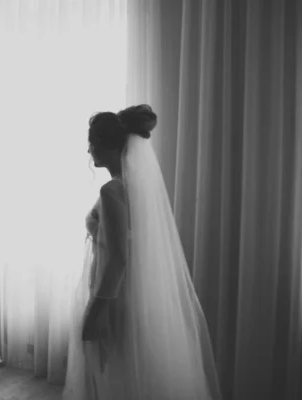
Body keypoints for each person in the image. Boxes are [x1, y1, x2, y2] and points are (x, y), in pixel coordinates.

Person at [63, 105, 222, 399]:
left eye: (92, 141)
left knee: (116, 367)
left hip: (115, 295)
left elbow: (118, 258)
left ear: (108, 145)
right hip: (140, 291)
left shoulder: (112, 191)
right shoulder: (139, 189)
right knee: (135, 366)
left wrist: (96, 309)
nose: (89, 149)